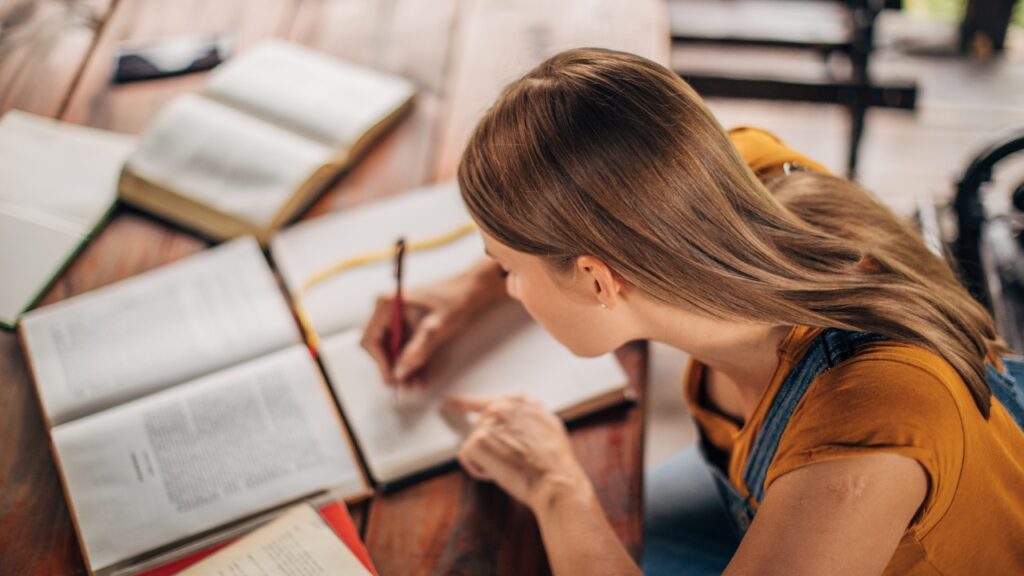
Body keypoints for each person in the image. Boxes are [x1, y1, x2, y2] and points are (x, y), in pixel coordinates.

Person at [360, 48, 1024, 575]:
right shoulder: (744, 178)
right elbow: (610, 191)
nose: (505, 287)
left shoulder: (862, 432)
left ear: (597, 279)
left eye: (506, 269)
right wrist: (463, 293)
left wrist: (556, 486)